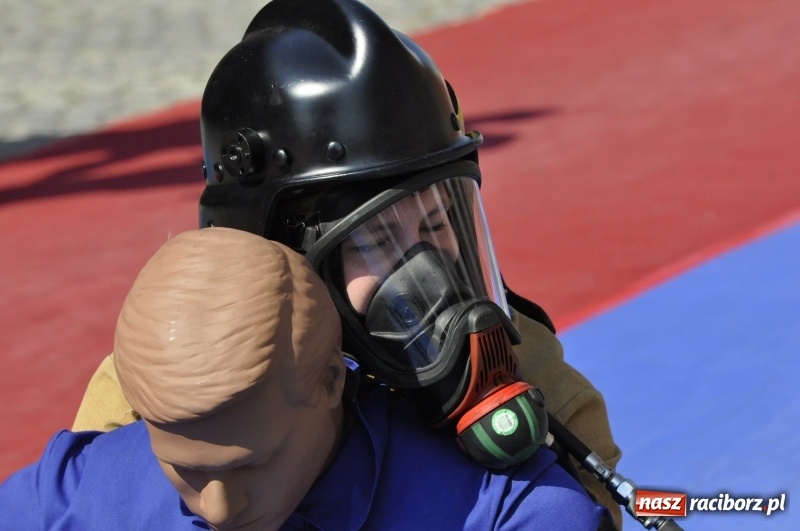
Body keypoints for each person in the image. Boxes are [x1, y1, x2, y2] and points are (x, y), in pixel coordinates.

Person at [72, 0, 623, 526]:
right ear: (272, 250)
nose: (422, 269)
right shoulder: (156, 392)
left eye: (438, 226)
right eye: (374, 241)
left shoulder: (537, 377)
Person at [0, 228, 613, 530]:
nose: (216, 509)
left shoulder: (507, 516)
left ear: (329, 383)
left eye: (249, 465)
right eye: (184, 470)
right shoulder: (82, 491)